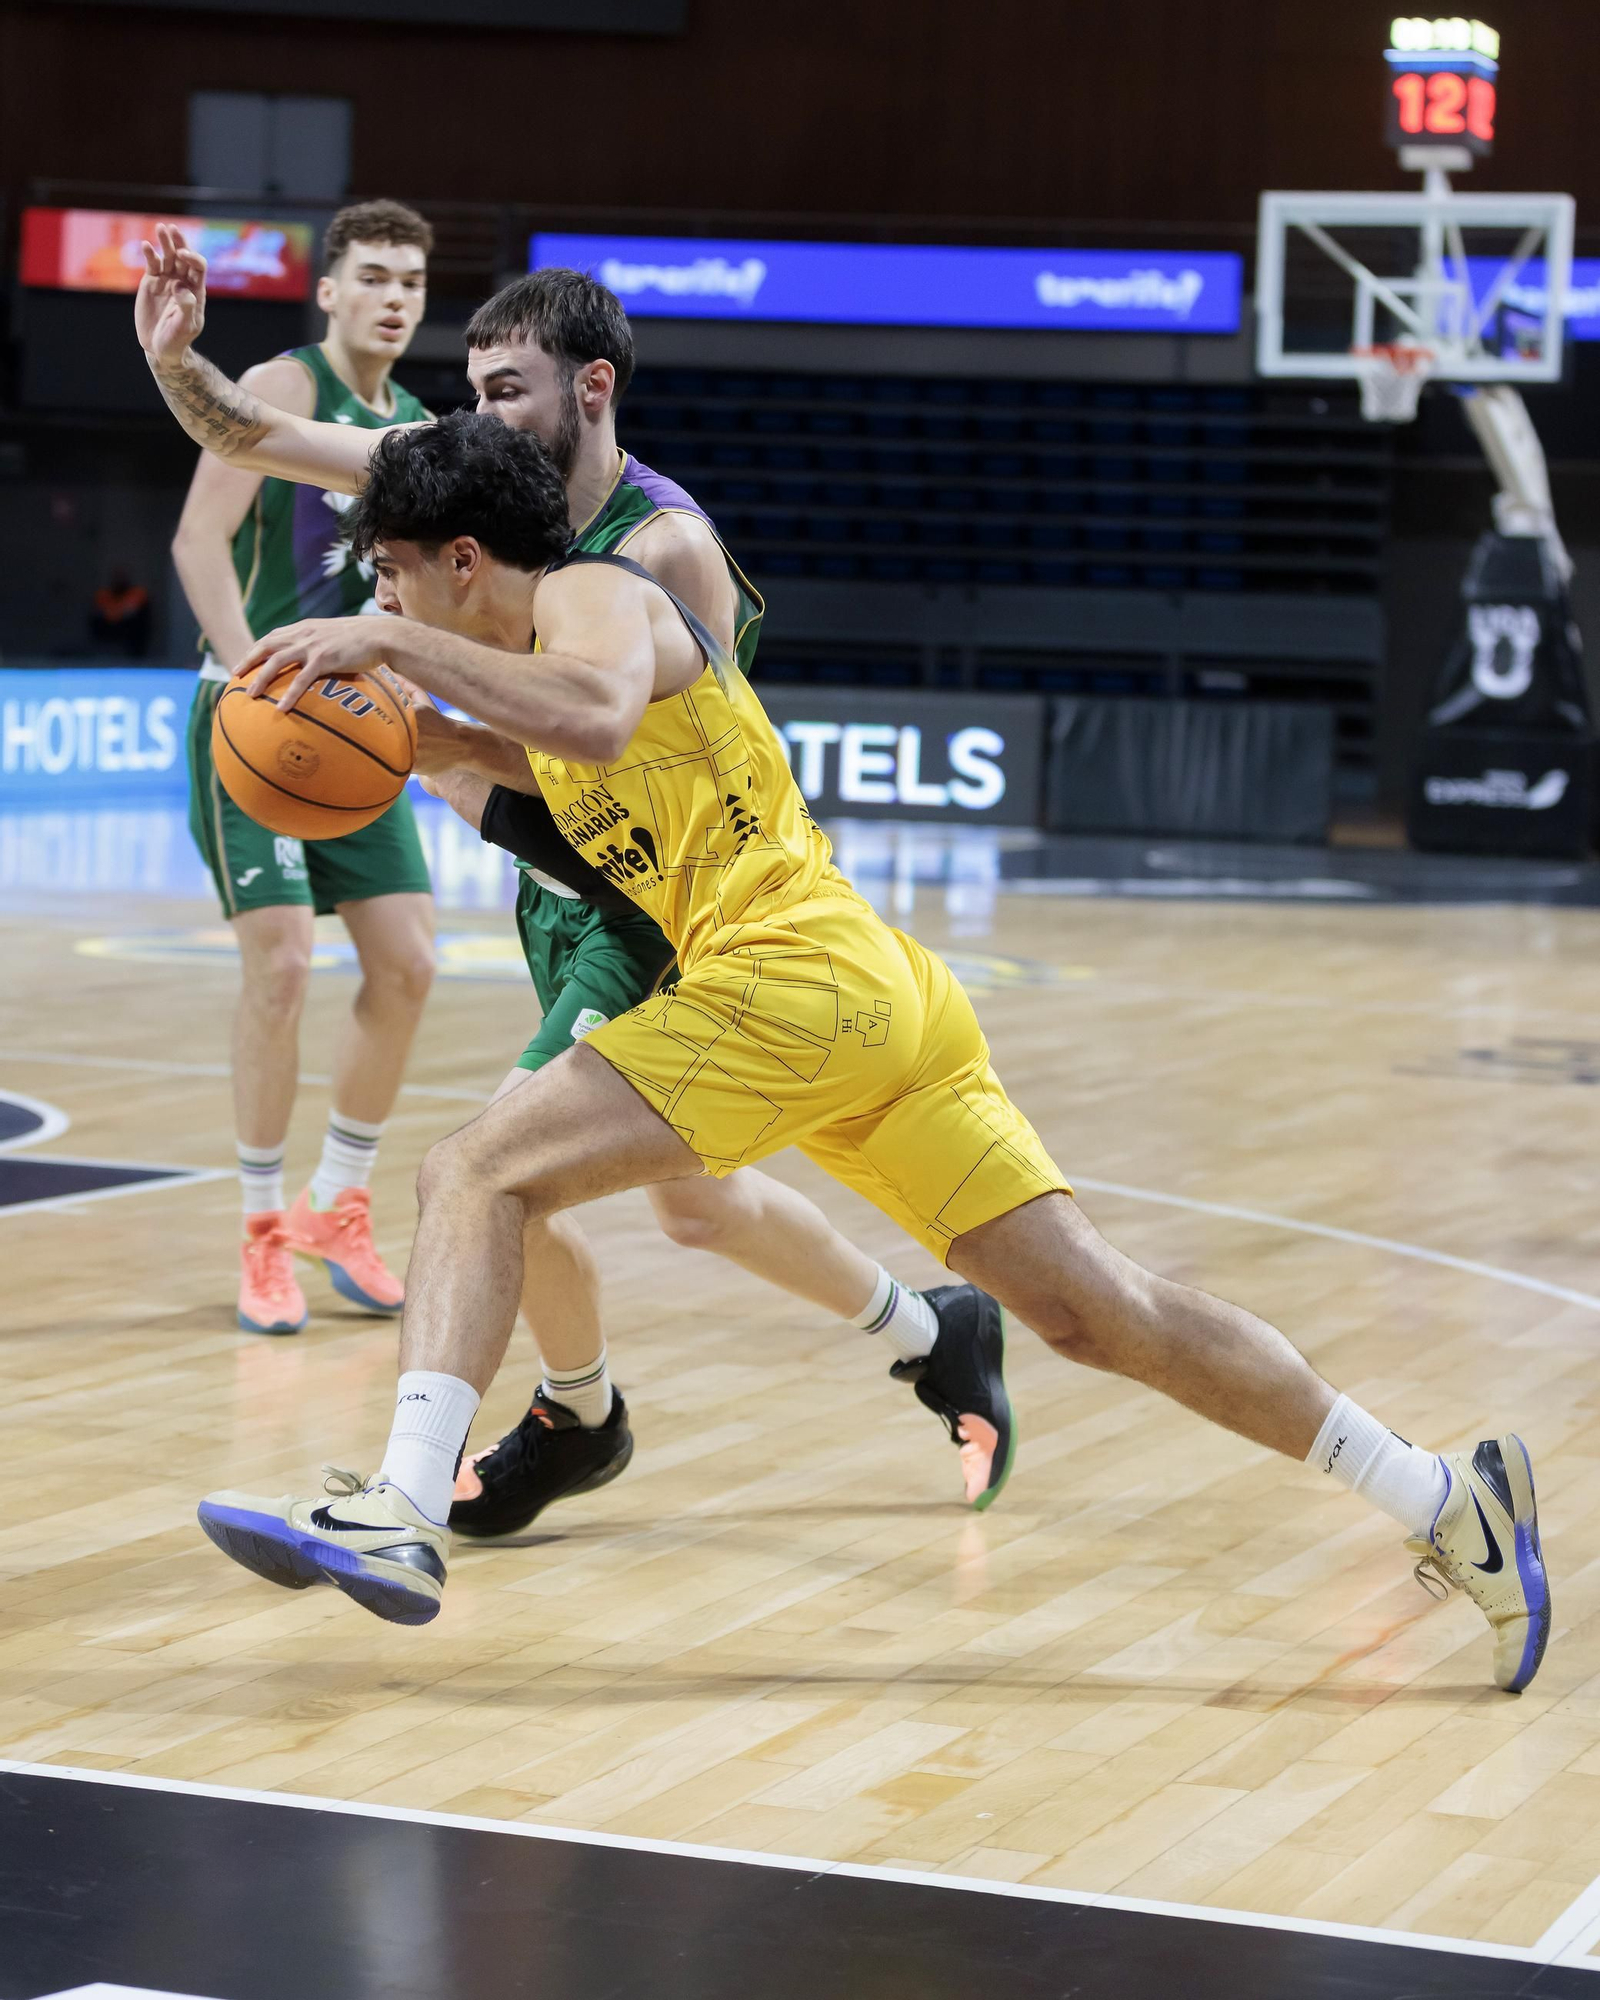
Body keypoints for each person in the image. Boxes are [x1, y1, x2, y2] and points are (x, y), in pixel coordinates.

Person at [173, 398, 1546, 1696]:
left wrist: (393, 655)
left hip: (785, 981)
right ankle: (1446, 1496)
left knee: (475, 1175)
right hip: (872, 1001)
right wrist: (417, 738)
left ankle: (400, 1509)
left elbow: (589, 712)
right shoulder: (538, 662)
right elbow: (569, 757)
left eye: (397, 580)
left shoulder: (593, 596)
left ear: (464, 560)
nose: (388, 601)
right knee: (1094, 1313)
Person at [140, 232, 1017, 1528]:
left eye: (507, 390)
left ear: (589, 389)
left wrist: (428, 713)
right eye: (476, 388)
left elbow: (669, 773)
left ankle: (561, 1421)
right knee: (695, 1209)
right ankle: (930, 1332)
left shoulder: (660, 552)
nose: (478, 413)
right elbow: (259, 436)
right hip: (552, 893)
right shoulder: (478, 494)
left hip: (652, 896)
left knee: (496, 1169)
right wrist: (174, 361)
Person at [170, 201, 436, 1336]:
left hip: (354, 728)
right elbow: (197, 544)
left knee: (410, 962)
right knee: (280, 964)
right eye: (372, 276)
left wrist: (420, 667)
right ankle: (262, 1227)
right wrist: (250, 681)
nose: (393, 298)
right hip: (253, 716)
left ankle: (341, 1201)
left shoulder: (421, 426)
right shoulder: (279, 389)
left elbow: (409, 588)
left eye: (412, 283)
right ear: (326, 291)